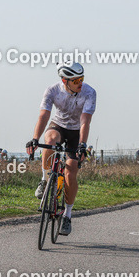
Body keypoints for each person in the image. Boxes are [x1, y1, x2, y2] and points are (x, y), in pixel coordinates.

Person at [26, 62, 95, 236]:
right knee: (49, 140)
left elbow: (85, 121)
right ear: (64, 81)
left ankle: (67, 215)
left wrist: (82, 144)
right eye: (76, 80)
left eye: (82, 78)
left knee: (71, 172)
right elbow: (44, 115)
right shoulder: (52, 90)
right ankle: (44, 180)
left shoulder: (89, 92)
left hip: (76, 131)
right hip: (58, 125)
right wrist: (35, 139)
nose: (80, 82)